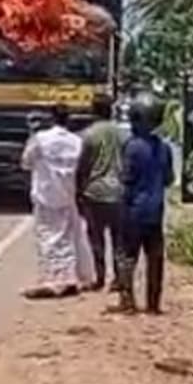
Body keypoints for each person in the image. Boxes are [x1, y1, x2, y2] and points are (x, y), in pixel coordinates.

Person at [20, 104, 98, 299]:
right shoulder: (76, 141)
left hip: (46, 195)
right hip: (68, 195)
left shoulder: (40, 139)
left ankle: (54, 280)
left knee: (48, 237)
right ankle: (69, 277)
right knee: (69, 237)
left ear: (51, 118)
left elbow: (26, 162)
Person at [114, 92, 174, 314]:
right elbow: (169, 179)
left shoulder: (132, 147)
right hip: (155, 211)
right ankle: (153, 304)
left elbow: (126, 177)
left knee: (127, 255)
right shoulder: (164, 148)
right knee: (155, 258)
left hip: (133, 209)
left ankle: (128, 301)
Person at [74, 94, 129, 293]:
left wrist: (78, 191)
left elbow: (82, 167)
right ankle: (119, 278)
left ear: (93, 111)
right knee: (119, 240)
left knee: (96, 239)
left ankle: (100, 277)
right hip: (119, 192)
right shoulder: (123, 135)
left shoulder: (87, 135)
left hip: (95, 192)